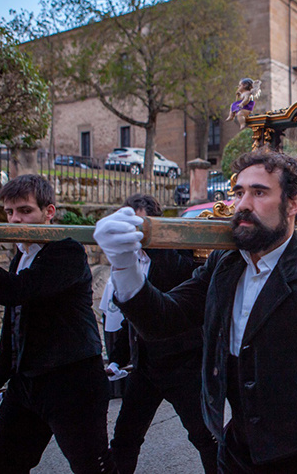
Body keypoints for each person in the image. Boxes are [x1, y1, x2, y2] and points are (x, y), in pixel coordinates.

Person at [93, 150, 297, 473]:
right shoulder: (223, 266)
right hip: (237, 457)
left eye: (259, 192)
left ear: (294, 204)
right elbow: (163, 320)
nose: (243, 204)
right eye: (239, 192)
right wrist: (124, 263)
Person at [0, 175, 115, 473]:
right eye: (9, 212)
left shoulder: (66, 252)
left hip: (73, 385)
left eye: (25, 210)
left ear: (49, 211)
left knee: (92, 468)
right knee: (0, 468)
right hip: (26, 386)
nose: (16, 219)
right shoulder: (22, 254)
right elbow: (13, 325)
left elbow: (14, 291)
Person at [102, 194, 217, 474]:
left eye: (139, 224)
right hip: (146, 366)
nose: (133, 232)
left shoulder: (177, 256)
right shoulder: (130, 258)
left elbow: (173, 295)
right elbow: (130, 318)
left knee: (205, 438)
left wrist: (154, 242)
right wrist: (117, 358)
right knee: (125, 438)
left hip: (184, 366)